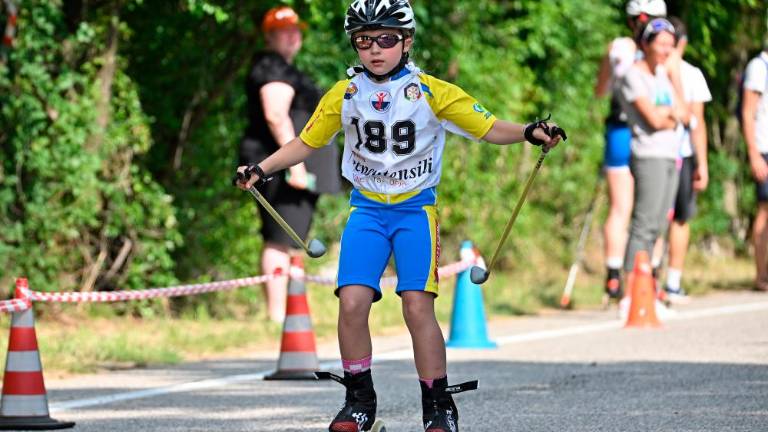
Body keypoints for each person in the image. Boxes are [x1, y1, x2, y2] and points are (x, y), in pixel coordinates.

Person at [234, 1, 564, 430]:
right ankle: (358, 401)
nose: (375, 49)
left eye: (386, 39)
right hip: (367, 211)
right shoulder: (345, 94)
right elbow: (306, 142)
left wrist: (528, 131)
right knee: (351, 303)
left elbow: (487, 126)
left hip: (414, 211)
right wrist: (262, 169)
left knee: (415, 306)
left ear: (406, 41)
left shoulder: (432, 91)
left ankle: (438, 405)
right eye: (364, 40)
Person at [239, 6, 340, 322]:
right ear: (269, 36)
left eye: (296, 29)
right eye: (284, 30)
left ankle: (288, 313)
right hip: (283, 171)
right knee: (280, 240)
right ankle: (278, 317)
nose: (293, 35)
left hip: (292, 171)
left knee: (290, 241)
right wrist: (295, 167)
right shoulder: (272, 67)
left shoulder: (283, 66)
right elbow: (275, 114)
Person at [594, 0, 667, 300]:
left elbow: (600, 90)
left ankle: (614, 275)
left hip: (620, 131)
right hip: (645, 131)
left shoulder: (617, 46)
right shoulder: (662, 46)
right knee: (651, 208)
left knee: (621, 208)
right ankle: (651, 275)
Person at [619, 18, 689, 281]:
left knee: (658, 225)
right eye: (661, 44)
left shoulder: (663, 74)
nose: (666, 51)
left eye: (670, 46)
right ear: (646, 44)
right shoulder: (633, 75)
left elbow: (685, 112)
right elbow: (655, 120)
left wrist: (674, 81)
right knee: (644, 224)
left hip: (670, 154)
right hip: (649, 155)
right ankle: (631, 289)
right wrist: (670, 115)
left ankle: (646, 289)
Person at [654, 17, 712, 303]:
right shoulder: (650, 71)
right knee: (656, 218)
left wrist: (702, 163)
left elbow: (697, 121)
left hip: (683, 153)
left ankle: (673, 281)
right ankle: (650, 281)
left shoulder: (692, 74)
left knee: (681, 217)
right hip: (658, 152)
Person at [741, 45, 768, 292]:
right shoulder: (759, 67)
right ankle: (761, 275)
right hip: (764, 147)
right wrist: (754, 153)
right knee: (765, 209)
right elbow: (748, 113)